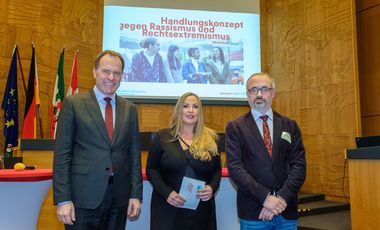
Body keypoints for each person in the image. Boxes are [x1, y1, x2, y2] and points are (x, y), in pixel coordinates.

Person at [53, 50, 143, 230]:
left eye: (116, 73)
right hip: (82, 198)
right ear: (95, 72)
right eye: (106, 71)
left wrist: (135, 195)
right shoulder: (73, 104)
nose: (111, 77)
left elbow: (134, 156)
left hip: (119, 197)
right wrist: (63, 199)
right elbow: (62, 155)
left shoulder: (130, 109)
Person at [225, 72, 306, 229]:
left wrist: (280, 199)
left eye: (264, 89)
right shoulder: (235, 127)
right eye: (253, 90)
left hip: (286, 210)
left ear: (273, 93)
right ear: (247, 95)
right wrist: (265, 198)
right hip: (254, 213)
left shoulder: (290, 125)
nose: (259, 94)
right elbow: (235, 168)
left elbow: (299, 166)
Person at [146, 92, 221, 230]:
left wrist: (212, 188)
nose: (191, 110)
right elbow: (151, 169)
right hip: (168, 207)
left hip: (200, 210)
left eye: (195, 106)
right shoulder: (163, 136)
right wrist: (167, 193)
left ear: (200, 111)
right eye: (186, 106)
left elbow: (217, 171)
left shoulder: (211, 138)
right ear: (179, 110)